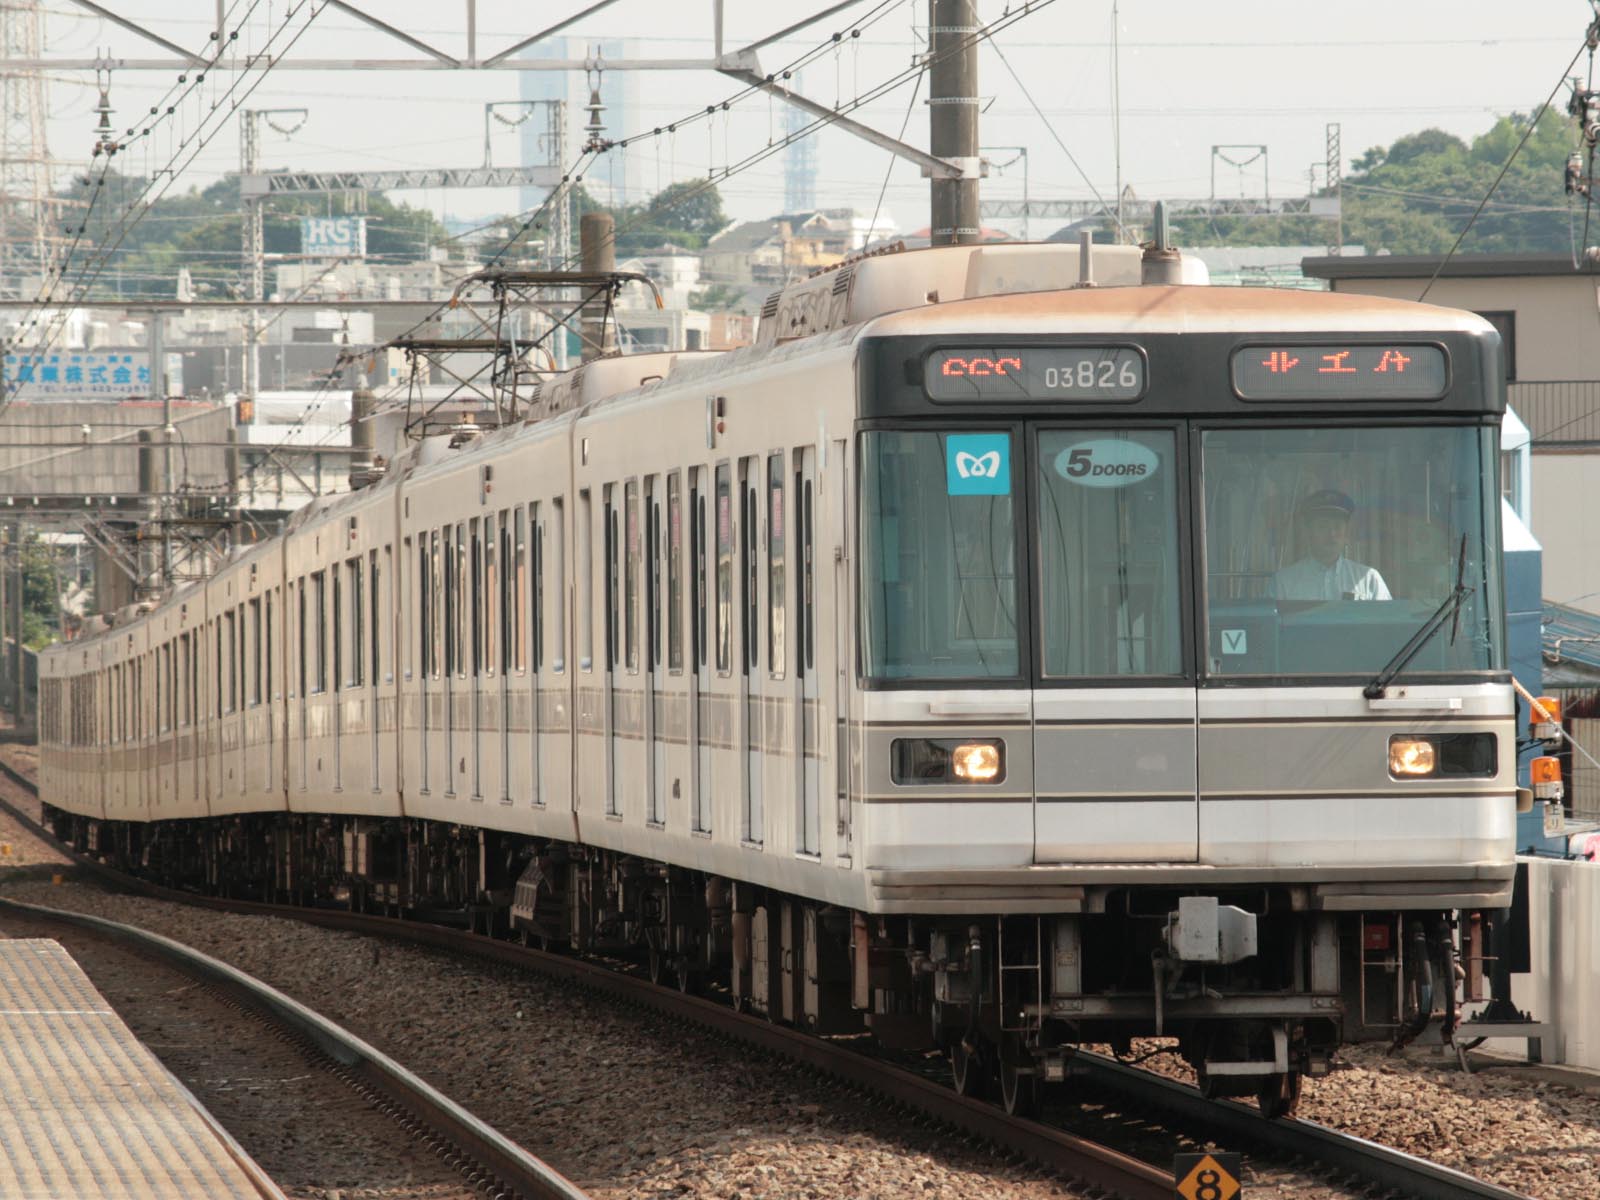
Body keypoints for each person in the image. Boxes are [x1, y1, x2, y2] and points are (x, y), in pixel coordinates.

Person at [1273, 489, 1391, 602]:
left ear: (1346, 533)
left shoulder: (1369, 579)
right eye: (1323, 526)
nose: (1332, 534)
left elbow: (1388, 620)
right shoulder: (1283, 583)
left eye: (1338, 526)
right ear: (1308, 532)